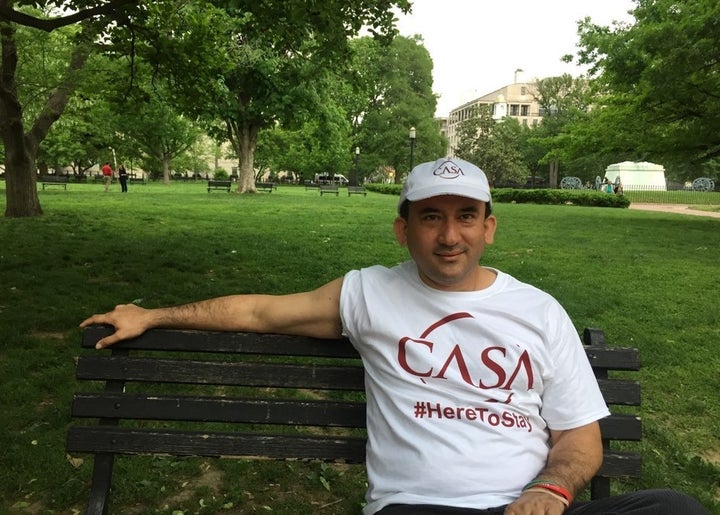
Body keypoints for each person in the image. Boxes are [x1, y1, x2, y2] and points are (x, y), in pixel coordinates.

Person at [81, 157, 708, 515]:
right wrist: (154, 314)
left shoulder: (540, 311)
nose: (449, 235)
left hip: (531, 508)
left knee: (673, 510)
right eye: (430, 217)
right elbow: (259, 313)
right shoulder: (369, 293)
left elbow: (579, 435)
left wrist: (551, 488)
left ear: (490, 227)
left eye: (465, 217)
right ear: (401, 229)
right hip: (419, 508)